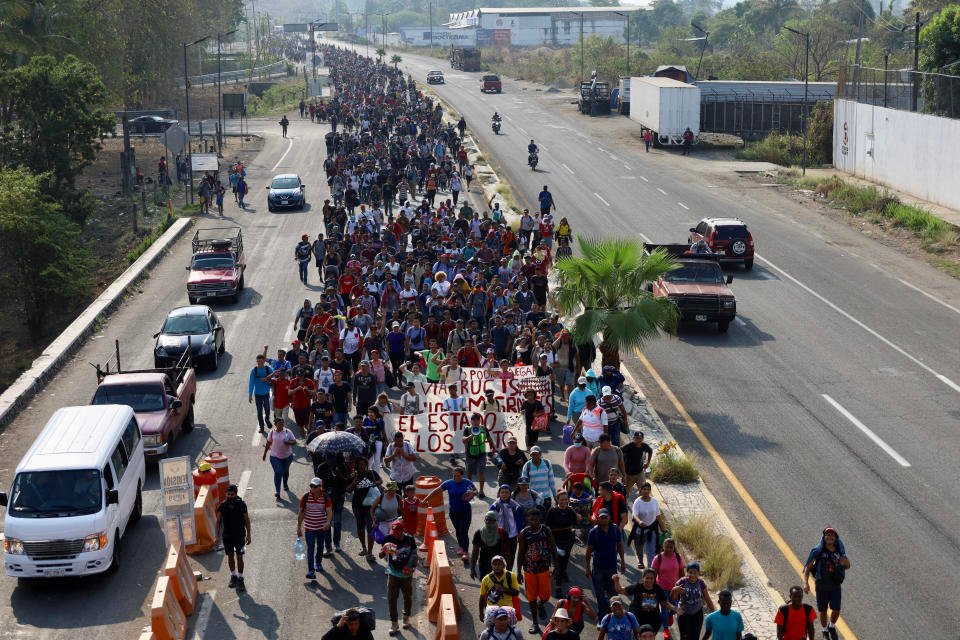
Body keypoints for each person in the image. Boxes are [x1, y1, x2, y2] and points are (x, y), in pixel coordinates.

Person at [802, 527, 850, 640]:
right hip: (821, 587)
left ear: (835, 539)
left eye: (832, 535)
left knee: (836, 610)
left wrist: (841, 564)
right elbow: (807, 569)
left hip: (835, 587)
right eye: (827, 535)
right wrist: (805, 583)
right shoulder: (818, 552)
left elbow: (848, 565)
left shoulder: (839, 552)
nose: (830, 537)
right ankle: (824, 630)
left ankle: (831, 626)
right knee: (823, 610)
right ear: (824, 538)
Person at [516, 507, 556, 634]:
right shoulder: (524, 533)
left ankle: (541, 604)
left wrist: (556, 566)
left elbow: (553, 549)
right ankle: (535, 623)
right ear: (527, 519)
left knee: (546, 596)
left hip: (544, 568)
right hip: (529, 569)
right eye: (531, 519)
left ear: (540, 519)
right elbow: (521, 552)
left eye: (536, 519)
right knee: (531, 597)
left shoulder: (546, 530)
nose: (533, 521)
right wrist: (518, 571)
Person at [424, 466, 477, 559]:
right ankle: (461, 547)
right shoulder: (449, 483)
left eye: (458, 476)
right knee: (458, 530)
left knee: (463, 531)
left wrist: (470, 495)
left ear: (462, 475)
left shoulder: (467, 482)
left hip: (465, 512)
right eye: (454, 476)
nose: (456, 478)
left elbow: (475, 491)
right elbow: (436, 491)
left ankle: (465, 552)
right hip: (453, 512)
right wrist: (425, 499)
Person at [585, 509, 625, 619]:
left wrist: (623, 562)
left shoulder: (616, 529)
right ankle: (602, 617)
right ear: (598, 518)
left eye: (605, 517)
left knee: (613, 594)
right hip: (598, 568)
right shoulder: (593, 532)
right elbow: (589, 551)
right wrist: (588, 567)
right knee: (600, 595)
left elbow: (620, 546)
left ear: (609, 518)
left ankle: (613, 616)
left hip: (612, 567)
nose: (603, 519)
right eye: (601, 517)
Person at [380, 520, 418, 635]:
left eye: (397, 532)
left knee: (407, 597)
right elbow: (381, 556)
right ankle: (394, 624)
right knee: (391, 599)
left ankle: (406, 618)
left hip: (406, 575)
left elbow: (415, 555)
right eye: (393, 532)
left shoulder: (409, 540)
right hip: (393, 573)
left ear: (402, 531)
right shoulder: (388, 539)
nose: (394, 534)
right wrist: (384, 551)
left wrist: (411, 567)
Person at [615, 568, 676, 635]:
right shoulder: (637, 587)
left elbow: (664, 602)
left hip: (654, 622)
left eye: (651, 578)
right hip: (637, 621)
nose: (649, 580)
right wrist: (616, 581)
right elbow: (620, 590)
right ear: (643, 578)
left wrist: (675, 608)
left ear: (654, 579)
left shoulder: (658, 588)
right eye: (647, 578)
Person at [216, 484, 251, 593]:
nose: (230, 496)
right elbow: (218, 521)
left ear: (236, 494)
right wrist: (216, 536)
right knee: (230, 556)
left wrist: (249, 535)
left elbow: (247, 520)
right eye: (228, 494)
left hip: (240, 536)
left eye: (232, 494)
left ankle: (240, 578)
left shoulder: (241, 505)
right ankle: (233, 576)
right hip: (227, 536)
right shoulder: (222, 506)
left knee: (239, 557)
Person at [347, 456, 382, 557]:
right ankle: (364, 548)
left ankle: (370, 553)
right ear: (356, 466)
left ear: (366, 465)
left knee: (371, 528)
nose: (362, 466)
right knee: (360, 528)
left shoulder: (371, 473)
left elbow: (380, 481)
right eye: (359, 464)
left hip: (371, 506)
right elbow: (348, 490)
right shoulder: (353, 476)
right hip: (358, 506)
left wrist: (374, 483)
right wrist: (354, 483)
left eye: (364, 464)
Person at [297, 477, 332, 579]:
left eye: (315, 486)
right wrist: (298, 527)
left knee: (320, 547)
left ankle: (318, 562)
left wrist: (327, 522)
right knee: (311, 548)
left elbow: (329, 512)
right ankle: (311, 571)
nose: (312, 488)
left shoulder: (326, 497)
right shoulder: (306, 497)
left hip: (321, 528)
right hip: (309, 528)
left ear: (320, 487)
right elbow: (301, 513)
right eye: (311, 486)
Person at [670, 562, 714, 640]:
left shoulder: (701, 583)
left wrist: (714, 612)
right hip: (684, 614)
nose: (693, 575)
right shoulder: (681, 582)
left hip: (697, 614)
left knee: (695, 637)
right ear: (687, 572)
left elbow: (707, 598)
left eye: (695, 572)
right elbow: (673, 598)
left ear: (699, 573)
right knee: (685, 637)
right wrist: (675, 590)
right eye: (690, 572)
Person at [545, 491, 578, 596]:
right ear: (557, 500)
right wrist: (565, 528)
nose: (564, 501)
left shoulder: (570, 511)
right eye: (561, 499)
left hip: (568, 541)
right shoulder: (552, 511)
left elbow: (575, 524)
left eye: (565, 499)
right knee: (558, 562)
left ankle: (563, 572)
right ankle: (558, 585)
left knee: (565, 560)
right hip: (556, 542)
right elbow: (548, 528)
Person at [651, 537, 685, 637]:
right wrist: (653, 588)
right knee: (665, 609)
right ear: (663, 547)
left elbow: (682, 573)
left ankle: (669, 616)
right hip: (662, 588)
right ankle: (666, 630)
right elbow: (654, 573)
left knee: (674, 607)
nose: (669, 549)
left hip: (675, 589)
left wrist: (683, 587)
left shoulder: (678, 557)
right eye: (667, 547)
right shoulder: (658, 558)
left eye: (671, 547)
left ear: (674, 548)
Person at [629, 482, 664, 569]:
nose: (646, 491)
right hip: (640, 530)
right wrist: (639, 521)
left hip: (652, 529)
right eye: (644, 489)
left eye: (648, 489)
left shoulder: (654, 501)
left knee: (651, 551)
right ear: (641, 490)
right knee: (639, 548)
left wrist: (663, 527)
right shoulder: (637, 502)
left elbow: (658, 515)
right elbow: (634, 515)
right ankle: (640, 560)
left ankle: (650, 570)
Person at [490, 484, 524, 571]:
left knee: (511, 556)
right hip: (499, 536)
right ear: (499, 494)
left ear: (510, 494)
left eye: (506, 492)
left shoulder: (516, 506)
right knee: (499, 556)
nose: (504, 494)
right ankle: (499, 572)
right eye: (502, 492)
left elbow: (519, 523)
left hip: (512, 535)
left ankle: (508, 573)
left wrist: (520, 535)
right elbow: (490, 521)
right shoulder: (495, 506)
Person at [262, 417, 296, 500]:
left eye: (282, 423)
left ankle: (285, 484)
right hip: (275, 457)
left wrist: (289, 442)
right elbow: (268, 443)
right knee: (278, 472)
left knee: (285, 471)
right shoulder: (272, 432)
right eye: (279, 423)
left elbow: (294, 441)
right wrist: (265, 453)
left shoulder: (288, 432)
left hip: (287, 457)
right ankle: (277, 491)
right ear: (275, 424)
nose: (281, 425)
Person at [479, 555, 522, 621]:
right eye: (494, 564)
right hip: (492, 610)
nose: (497, 566)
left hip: (507, 609)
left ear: (504, 566)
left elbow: (516, 593)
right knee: (490, 630)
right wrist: (481, 613)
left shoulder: (511, 576)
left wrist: (503, 589)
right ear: (491, 566)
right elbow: (482, 597)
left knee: (510, 630)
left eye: (499, 564)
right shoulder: (486, 579)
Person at [463, 412, 495, 497]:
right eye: (474, 420)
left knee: (481, 472)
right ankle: (472, 489)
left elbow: (489, 439)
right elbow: (464, 441)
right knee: (469, 473)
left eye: (477, 420)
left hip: (481, 454)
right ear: (471, 421)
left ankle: (481, 490)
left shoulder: (483, 429)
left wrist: (493, 448)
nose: (476, 422)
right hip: (470, 455)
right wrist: (472, 435)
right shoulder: (467, 429)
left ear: (480, 421)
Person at [472, 511, 507, 580]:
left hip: (499, 566)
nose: (488, 522)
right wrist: (472, 568)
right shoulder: (479, 533)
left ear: (496, 521)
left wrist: (507, 569)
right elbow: (475, 552)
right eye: (487, 520)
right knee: (485, 587)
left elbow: (507, 552)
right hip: (484, 565)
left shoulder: (502, 533)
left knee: (499, 588)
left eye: (491, 520)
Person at [620, 432, 652, 498]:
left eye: (640, 438)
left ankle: (644, 504)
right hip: (628, 474)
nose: (638, 440)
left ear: (642, 439)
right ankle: (625, 505)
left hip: (639, 473)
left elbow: (650, 451)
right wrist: (621, 465)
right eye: (637, 438)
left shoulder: (644, 446)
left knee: (644, 490)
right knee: (625, 492)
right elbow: (619, 451)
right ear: (633, 438)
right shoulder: (629, 446)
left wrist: (648, 463)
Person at [248, 354, 274, 433]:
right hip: (257, 395)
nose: (259, 363)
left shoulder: (268, 369)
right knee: (259, 412)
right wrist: (250, 394)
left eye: (261, 361)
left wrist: (266, 379)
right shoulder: (254, 370)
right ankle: (261, 427)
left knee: (267, 410)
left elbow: (273, 378)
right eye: (258, 361)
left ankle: (267, 419)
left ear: (264, 361)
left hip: (266, 394)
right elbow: (251, 383)